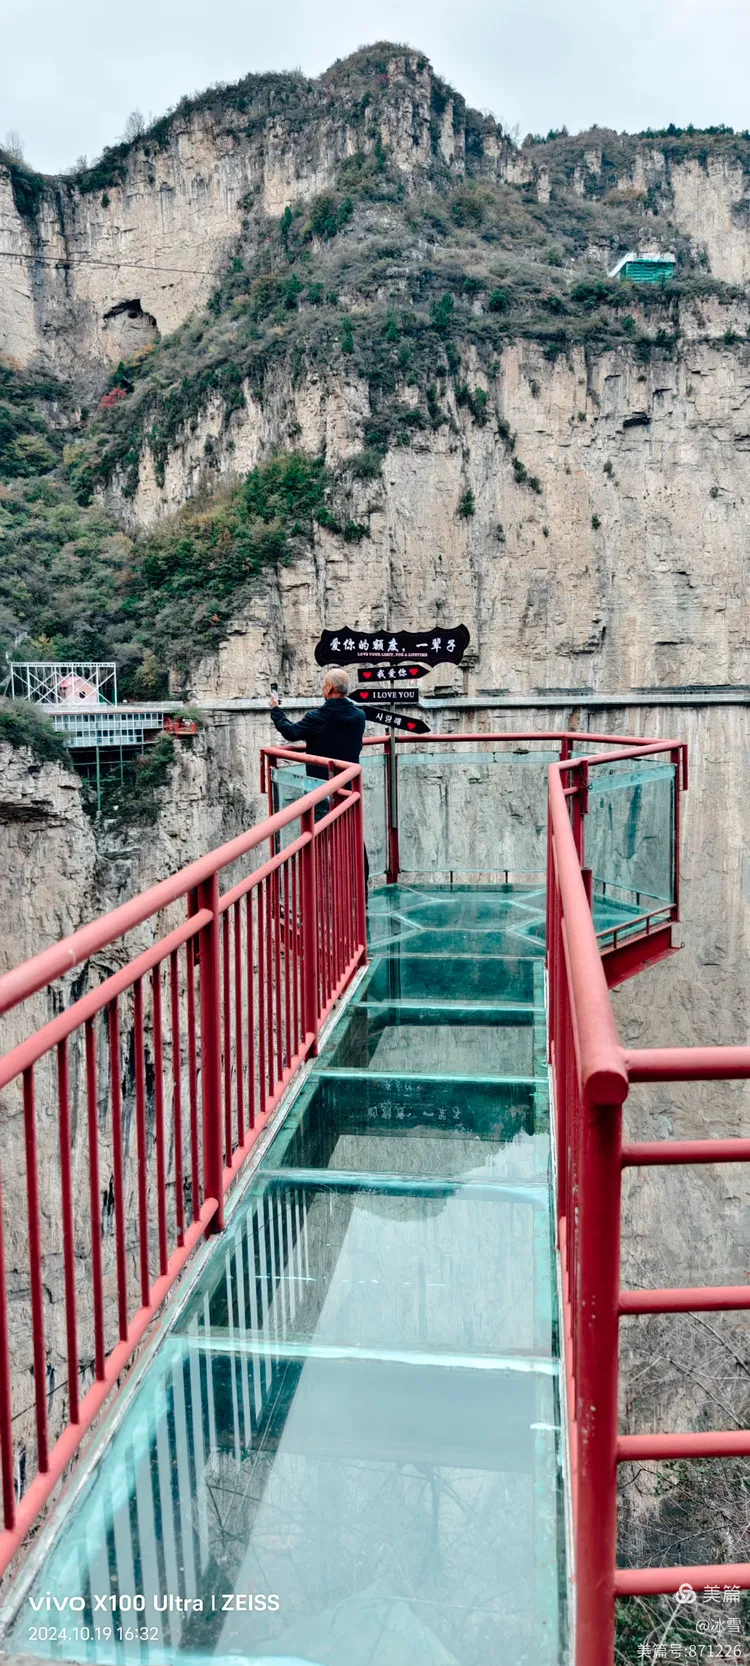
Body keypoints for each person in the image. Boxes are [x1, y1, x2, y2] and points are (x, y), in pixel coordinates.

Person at [269, 669, 369, 882]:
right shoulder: (359, 716)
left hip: (321, 790)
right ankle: (360, 887)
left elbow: (291, 732)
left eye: (324, 684)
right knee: (353, 837)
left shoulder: (317, 718)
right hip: (349, 788)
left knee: (320, 839)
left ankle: (324, 889)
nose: (322, 687)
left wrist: (276, 710)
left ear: (330, 688)